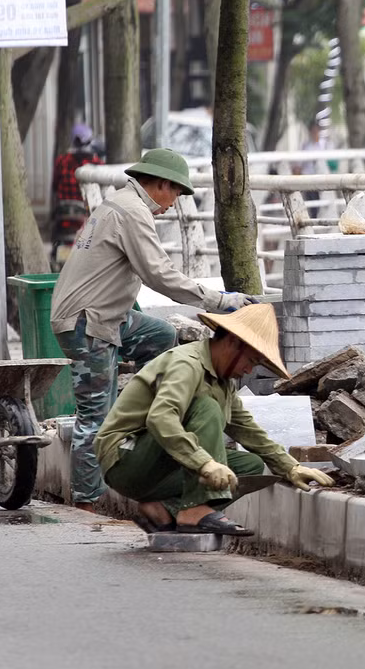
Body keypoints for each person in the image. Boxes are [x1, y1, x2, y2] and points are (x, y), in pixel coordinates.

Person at [50, 148, 256, 512]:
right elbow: (158, 274)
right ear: (160, 184)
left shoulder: (120, 203)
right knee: (95, 416)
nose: (174, 203)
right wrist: (219, 301)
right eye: (175, 193)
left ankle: (157, 414)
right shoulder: (132, 212)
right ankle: (87, 502)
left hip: (108, 316)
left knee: (160, 336)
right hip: (87, 323)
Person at [95, 303, 333, 535]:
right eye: (250, 361)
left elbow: (245, 428)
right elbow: (160, 418)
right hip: (125, 460)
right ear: (231, 342)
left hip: (156, 468)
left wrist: (290, 467)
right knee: (207, 407)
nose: (249, 370)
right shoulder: (187, 364)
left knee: (249, 466)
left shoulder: (224, 382)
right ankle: (195, 511)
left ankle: (164, 511)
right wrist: (205, 463)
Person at [51, 123, 103, 210]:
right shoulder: (97, 163)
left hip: (64, 212)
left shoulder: (61, 161)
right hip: (89, 216)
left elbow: (55, 187)